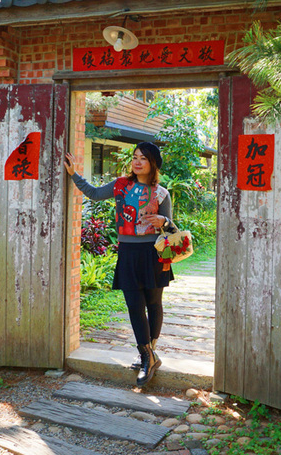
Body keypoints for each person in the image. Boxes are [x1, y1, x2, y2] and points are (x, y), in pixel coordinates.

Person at [64, 141, 173, 387]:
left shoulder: (161, 192)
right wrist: (74, 175)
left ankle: (149, 355)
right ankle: (148, 355)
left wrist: (163, 220)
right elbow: (93, 193)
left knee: (154, 303)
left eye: (143, 158)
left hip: (154, 252)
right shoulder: (121, 185)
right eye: (135, 157)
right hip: (128, 251)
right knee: (135, 305)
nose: (137, 162)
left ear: (153, 163)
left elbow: (172, 228)